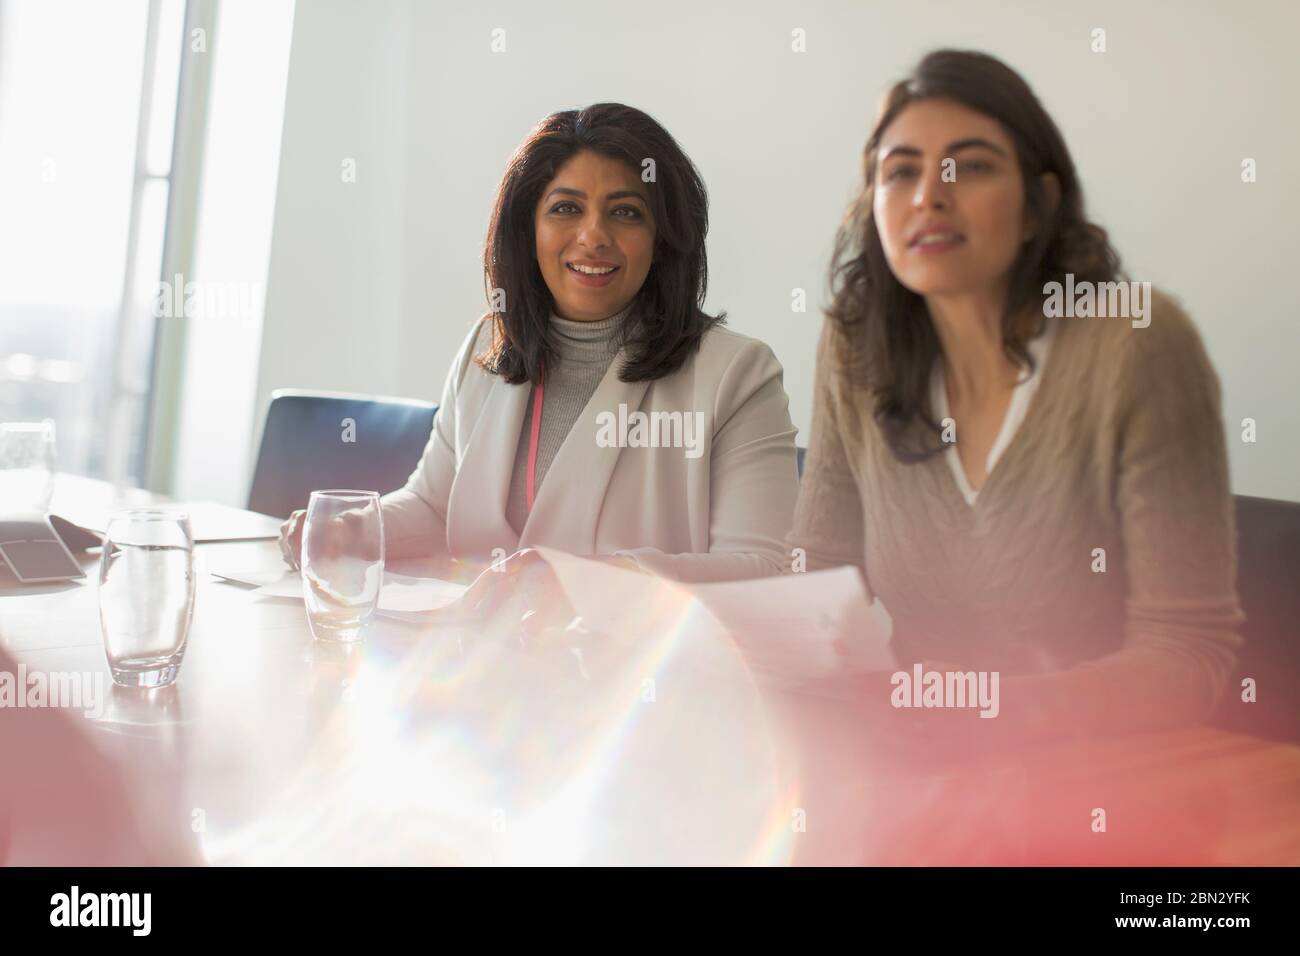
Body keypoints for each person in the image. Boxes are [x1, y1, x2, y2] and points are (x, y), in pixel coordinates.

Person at [791, 50, 1244, 749]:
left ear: (1041, 205)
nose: (928, 196)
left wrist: (993, 710)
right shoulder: (855, 349)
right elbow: (816, 579)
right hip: (918, 766)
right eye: (901, 171)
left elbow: (1189, 653)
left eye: (969, 166)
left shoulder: (1138, 344)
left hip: (1109, 785)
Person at [280, 103, 798, 591]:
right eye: (566, 208)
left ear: (664, 238)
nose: (593, 236)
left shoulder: (737, 374)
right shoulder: (488, 346)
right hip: (477, 666)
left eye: (626, 213)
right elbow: (435, 507)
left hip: (638, 677)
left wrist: (585, 582)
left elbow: (759, 571)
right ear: (528, 228)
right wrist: (354, 532)